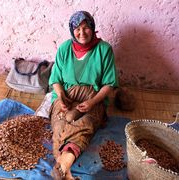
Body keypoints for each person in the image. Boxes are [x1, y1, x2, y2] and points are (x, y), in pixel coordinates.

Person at [49, 11, 118, 180]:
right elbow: (55, 79)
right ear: (72, 30)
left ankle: (62, 168)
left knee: (84, 125)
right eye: (77, 29)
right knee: (59, 124)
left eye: (86, 28)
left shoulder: (104, 50)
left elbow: (109, 84)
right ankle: (65, 170)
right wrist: (61, 97)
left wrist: (92, 102)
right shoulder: (65, 48)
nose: (82, 33)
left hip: (93, 96)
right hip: (68, 94)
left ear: (92, 28)